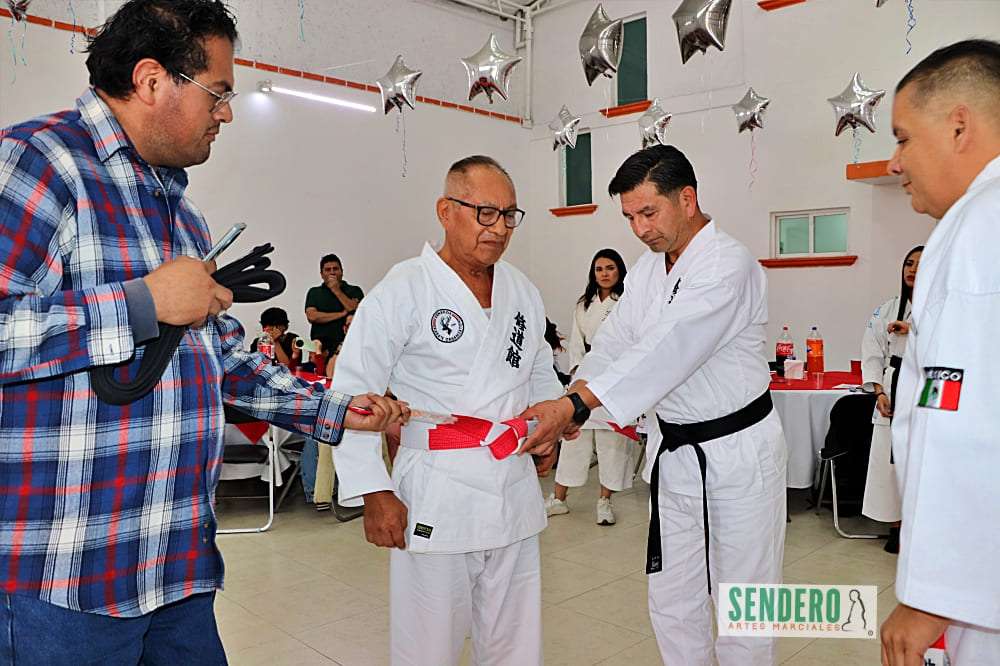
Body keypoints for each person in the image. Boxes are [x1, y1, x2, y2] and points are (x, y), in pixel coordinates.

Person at [0, 2, 406, 663]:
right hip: (65, 581)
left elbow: (217, 358)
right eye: (218, 93)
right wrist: (143, 303)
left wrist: (334, 409)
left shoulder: (180, 214)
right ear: (152, 80)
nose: (227, 114)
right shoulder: (40, 163)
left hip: (175, 570)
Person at [522, 144, 788, 665]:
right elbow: (614, 345)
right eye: (630, 217)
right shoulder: (648, 271)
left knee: (746, 605)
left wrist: (576, 407)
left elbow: (668, 349)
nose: (640, 229)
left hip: (737, 453)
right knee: (673, 599)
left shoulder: (727, 262)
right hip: (675, 453)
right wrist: (574, 399)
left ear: (687, 199)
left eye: (648, 212)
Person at [329, 155, 563, 666]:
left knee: (516, 643)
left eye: (509, 215)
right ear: (445, 210)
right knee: (428, 646)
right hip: (437, 489)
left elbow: (539, 371)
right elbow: (351, 393)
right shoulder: (405, 287)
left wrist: (544, 427)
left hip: (512, 486)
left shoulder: (521, 289)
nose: (498, 228)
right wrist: (373, 489)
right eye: (485, 213)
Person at [880, 39, 1000, 666]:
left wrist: (931, 593)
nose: (895, 161)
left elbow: (964, 422)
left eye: (903, 138)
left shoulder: (979, 225)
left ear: (958, 125)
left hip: (978, 588)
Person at [545, 249, 637, 526]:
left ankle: (604, 501)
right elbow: (576, 343)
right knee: (574, 439)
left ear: (619, 271)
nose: (605, 274)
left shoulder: (628, 302)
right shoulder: (584, 304)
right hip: (586, 375)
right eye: (599, 269)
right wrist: (578, 372)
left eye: (610, 268)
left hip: (616, 379)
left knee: (612, 444)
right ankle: (559, 498)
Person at [860, 246, 922, 553]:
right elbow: (871, 350)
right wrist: (879, 391)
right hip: (892, 385)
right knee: (888, 460)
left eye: (920, 264)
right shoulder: (886, 309)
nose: (912, 269)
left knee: (918, 458)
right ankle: (895, 526)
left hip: (923, 385)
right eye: (909, 263)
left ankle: (918, 527)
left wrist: (914, 330)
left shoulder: (941, 309)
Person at [305, 253, 364, 354]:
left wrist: (336, 290)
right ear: (321, 274)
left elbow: (355, 310)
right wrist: (342, 314)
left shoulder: (354, 290)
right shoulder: (314, 292)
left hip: (348, 345)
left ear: (342, 271)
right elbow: (312, 316)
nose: (332, 272)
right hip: (320, 347)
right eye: (328, 270)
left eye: (335, 269)